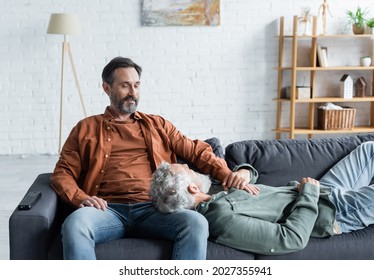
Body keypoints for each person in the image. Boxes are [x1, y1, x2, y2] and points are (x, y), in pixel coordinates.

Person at [50, 56, 258, 260]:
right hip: (106, 210)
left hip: (155, 209)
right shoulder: (86, 128)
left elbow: (197, 151)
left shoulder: (158, 125)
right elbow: (62, 173)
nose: (133, 93)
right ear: (107, 88)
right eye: (125, 86)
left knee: (195, 223)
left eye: (137, 85)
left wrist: (228, 174)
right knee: (75, 224)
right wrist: (81, 198)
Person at [150, 141, 374, 255]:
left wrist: (243, 172)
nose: (192, 168)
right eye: (188, 170)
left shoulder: (213, 194)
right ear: (192, 188)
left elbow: (253, 185)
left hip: (324, 190)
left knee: (373, 150)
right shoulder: (221, 220)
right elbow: (291, 239)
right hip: (337, 211)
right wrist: (308, 193)